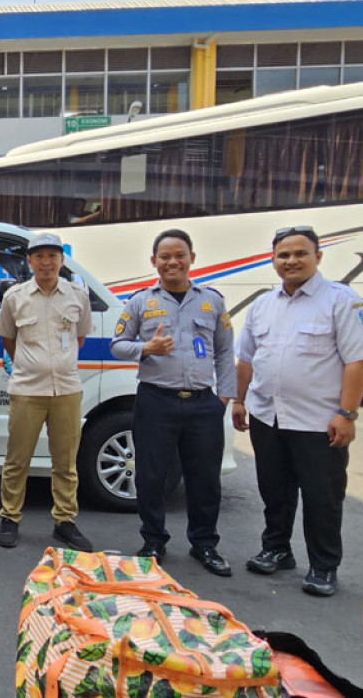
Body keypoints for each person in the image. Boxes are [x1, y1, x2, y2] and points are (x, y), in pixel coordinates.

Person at [233, 226, 363, 597]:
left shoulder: (341, 301)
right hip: (268, 417)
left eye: (300, 253)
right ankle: (277, 549)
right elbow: (247, 359)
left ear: (318, 257)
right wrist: (239, 400)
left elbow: (357, 361)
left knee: (322, 497)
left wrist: (347, 414)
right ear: (273, 260)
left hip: (318, 422)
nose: (291, 261)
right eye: (283, 255)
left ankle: (323, 566)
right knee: (274, 491)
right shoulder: (263, 304)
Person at [110, 229, 235, 576]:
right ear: (154, 262)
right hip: (155, 400)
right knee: (150, 476)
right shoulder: (140, 302)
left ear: (192, 258)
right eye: (164, 257)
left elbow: (225, 351)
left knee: (205, 478)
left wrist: (223, 397)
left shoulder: (212, 301)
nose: (172, 262)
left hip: (202, 403)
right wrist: (145, 349)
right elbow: (117, 344)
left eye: (179, 255)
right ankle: (153, 541)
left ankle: (205, 545)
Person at [0, 233, 94, 552]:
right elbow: (8, 339)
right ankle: (10, 517)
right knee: (17, 458)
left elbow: (79, 338)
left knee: (65, 461)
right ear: (29, 261)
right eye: (39, 256)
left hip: (66, 389)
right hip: (26, 389)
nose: (46, 262)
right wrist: (30, 363)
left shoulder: (78, 295)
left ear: (62, 260)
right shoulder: (15, 296)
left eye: (53, 255)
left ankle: (65, 521)